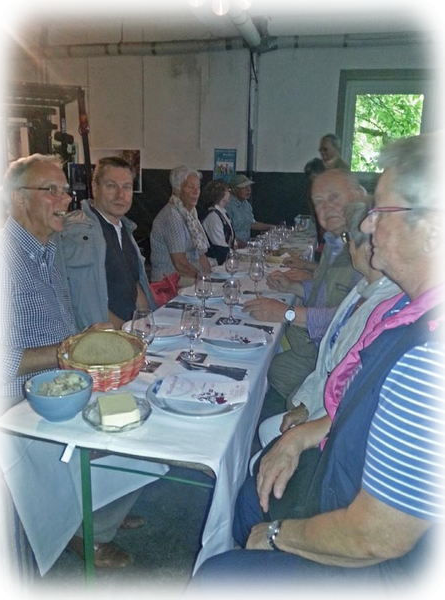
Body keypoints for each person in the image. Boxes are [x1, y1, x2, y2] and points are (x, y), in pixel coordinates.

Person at [182, 130, 445, 600]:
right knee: (254, 496)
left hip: (392, 574)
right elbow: (359, 404)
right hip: (346, 489)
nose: (366, 225)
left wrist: (278, 536)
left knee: (216, 579)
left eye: (381, 212)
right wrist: (301, 436)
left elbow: (377, 537)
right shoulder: (413, 314)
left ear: (434, 230)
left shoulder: (431, 357)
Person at [0, 154, 147, 569]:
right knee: (130, 438)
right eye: (53, 191)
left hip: (64, 386)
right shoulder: (0, 260)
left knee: (143, 416)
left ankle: (103, 504)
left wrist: (86, 343)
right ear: (19, 198)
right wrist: (68, 351)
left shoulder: (48, 251)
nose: (66, 199)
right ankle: (89, 531)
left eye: (66, 191)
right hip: (19, 399)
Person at [258, 200, 400, 447]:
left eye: (349, 238)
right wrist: (305, 406)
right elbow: (329, 362)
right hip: (326, 399)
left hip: (344, 422)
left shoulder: (386, 303)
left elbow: (351, 382)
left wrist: (313, 421)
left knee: (269, 429)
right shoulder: (362, 288)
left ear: (370, 247)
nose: (347, 245)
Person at [243, 169, 365, 400]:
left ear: (359, 194)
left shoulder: (368, 250)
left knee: (260, 364)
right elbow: (325, 292)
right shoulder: (335, 241)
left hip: (343, 360)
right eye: (319, 202)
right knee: (262, 366)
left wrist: (287, 313)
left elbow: (353, 318)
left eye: (334, 197)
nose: (326, 207)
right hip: (318, 348)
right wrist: (292, 287)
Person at [55, 156, 156, 332]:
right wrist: (126, 332)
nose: (120, 195)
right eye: (111, 186)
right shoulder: (78, 232)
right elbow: (85, 304)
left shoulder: (124, 228)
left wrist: (149, 324)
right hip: (103, 339)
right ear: (95, 188)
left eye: (127, 187)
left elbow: (134, 284)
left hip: (129, 333)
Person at [150, 166, 211, 282]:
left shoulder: (190, 214)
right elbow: (180, 264)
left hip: (187, 275)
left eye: (198, 187)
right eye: (190, 187)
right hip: (170, 280)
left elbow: (201, 255)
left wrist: (210, 277)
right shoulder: (172, 216)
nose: (196, 191)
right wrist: (203, 281)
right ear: (177, 190)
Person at [226, 174, 273, 247]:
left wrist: (272, 227)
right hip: (233, 247)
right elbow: (227, 234)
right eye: (244, 187)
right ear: (234, 190)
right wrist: (247, 246)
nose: (248, 190)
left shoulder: (246, 204)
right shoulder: (228, 205)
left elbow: (252, 224)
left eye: (249, 186)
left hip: (246, 245)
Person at [200, 179, 235, 265]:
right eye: (228, 190)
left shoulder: (222, 212)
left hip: (223, 260)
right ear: (221, 194)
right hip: (214, 263)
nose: (230, 192)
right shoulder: (213, 216)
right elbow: (220, 245)